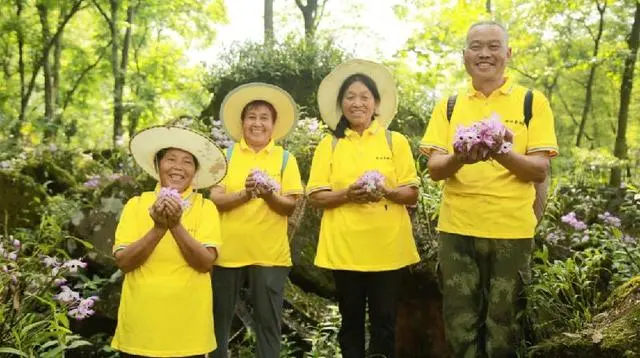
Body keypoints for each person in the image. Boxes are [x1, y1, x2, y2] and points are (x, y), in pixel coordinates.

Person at [420, 21, 559, 357]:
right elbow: (435, 169)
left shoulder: (531, 102)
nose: (485, 53)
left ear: (508, 53)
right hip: (457, 231)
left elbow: (538, 168)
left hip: (511, 231)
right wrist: (461, 156)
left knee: (505, 326)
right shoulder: (449, 105)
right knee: (460, 325)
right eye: (476, 46)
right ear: (465, 56)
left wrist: (500, 150)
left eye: (493, 46)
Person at [307, 59, 421, 358]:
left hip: (388, 247)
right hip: (344, 248)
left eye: (364, 97)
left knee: (385, 322)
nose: (357, 103)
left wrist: (388, 191)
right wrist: (347, 194)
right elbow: (316, 196)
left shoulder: (395, 142)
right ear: (341, 104)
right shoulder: (329, 145)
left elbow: (412, 194)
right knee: (351, 322)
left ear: (376, 103)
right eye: (350, 97)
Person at [111, 121, 228, 358]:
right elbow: (124, 262)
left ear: (195, 171)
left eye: (187, 161)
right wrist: (158, 229)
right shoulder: (136, 205)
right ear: (158, 165)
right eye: (171, 159)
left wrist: (174, 226)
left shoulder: (206, 208)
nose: (178, 167)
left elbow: (205, 263)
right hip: (140, 330)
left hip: (189, 333)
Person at [209, 83, 304, 358]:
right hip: (227, 252)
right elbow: (216, 199)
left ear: (274, 125)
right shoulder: (225, 157)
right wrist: (246, 193)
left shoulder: (286, 159)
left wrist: (268, 195)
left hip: (270, 254)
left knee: (268, 324)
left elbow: (289, 207)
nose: (257, 123)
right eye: (251, 116)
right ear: (242, 123)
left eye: (264, 117)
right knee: (218, 324)